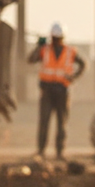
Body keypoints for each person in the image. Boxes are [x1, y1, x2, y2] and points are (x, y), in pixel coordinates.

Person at [28, 22, 86, 159]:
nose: (55, 41)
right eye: (54, 38)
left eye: (58, 38)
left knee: (62, 122)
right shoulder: (44, 50)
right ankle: (41, 151)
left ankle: (60, 152)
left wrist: (74, 77)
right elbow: (30, 59)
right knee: (44, 121)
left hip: (62, 90)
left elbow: (83, 64)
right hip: (47, 90)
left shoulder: (70, 51)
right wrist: (38, 46)